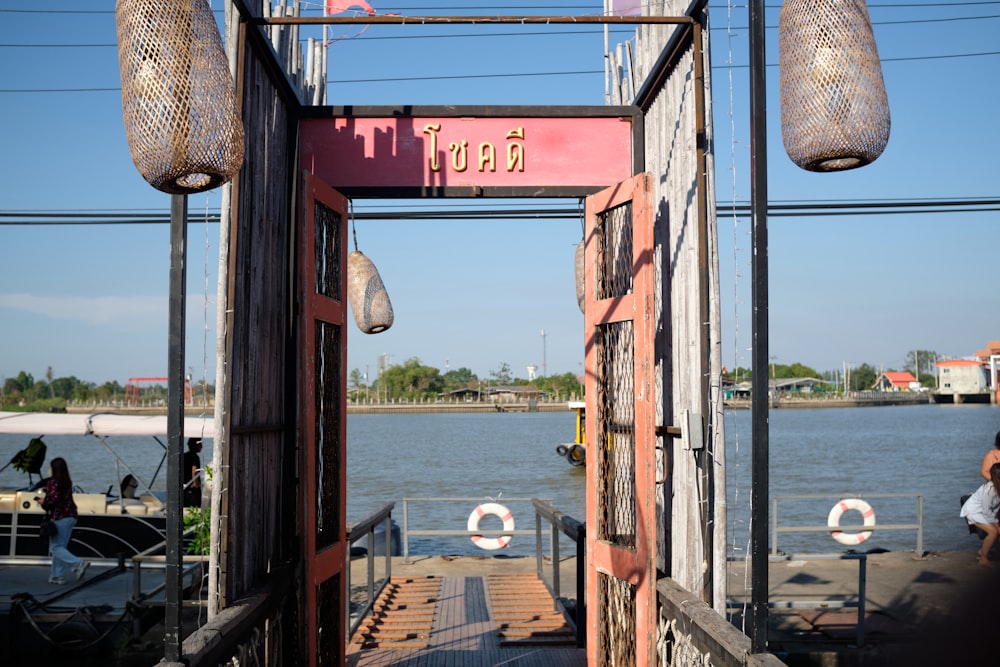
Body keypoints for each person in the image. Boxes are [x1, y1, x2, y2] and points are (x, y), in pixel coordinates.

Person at [38, 457, 90, 584]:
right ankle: (57, 575)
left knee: (55, 548)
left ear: (53, 469)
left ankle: (78, 564)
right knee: (60, 547)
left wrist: (43, 502)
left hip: (60, 517)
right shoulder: (67, 482)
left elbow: (54, 500)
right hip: (71, 516)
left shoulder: (53, 482)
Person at [961, 462, 1000, 567]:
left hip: (986, 512)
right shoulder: (989, 490)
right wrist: (996, 523)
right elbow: (986, 511)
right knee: (993, 532)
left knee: (997, 531)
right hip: (974, 511)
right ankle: (983, 558)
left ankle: (983, 551)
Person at [183, 437, 203, 508]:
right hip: (192, 488)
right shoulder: (195, 457)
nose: (201, 446)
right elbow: (194, 471)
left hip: (184, 487)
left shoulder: (184, 456)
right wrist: (196, 484)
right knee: (195, 508)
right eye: (200, 444)